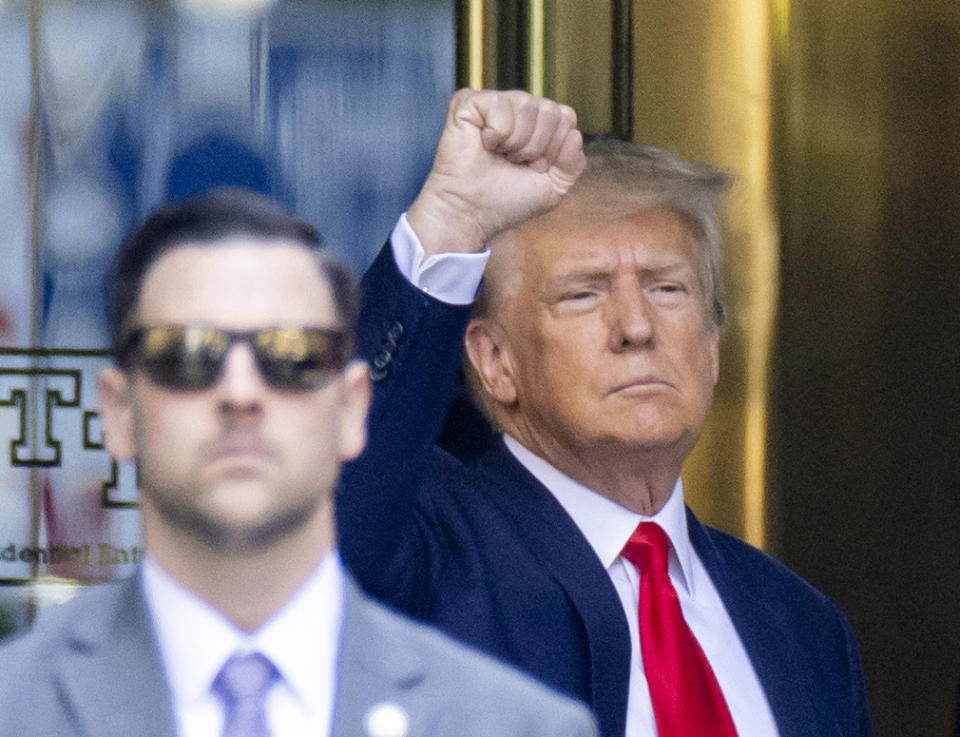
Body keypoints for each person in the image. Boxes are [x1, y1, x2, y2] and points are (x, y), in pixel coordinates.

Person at [0, 90, 597, 737]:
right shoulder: (18, 708)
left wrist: (454, 217)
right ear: (116, 410)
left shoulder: (518, 725)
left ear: (351, 408)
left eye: (290, 355)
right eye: (188, 353)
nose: (240, 390)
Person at [338, 137, 873, 737]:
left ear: (713, 346)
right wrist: (451, 217)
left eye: (667, 288)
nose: (637, 326)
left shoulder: (804, 629)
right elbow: (333, 490)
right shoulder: (428, 551)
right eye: (583, 293)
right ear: (495, 361)